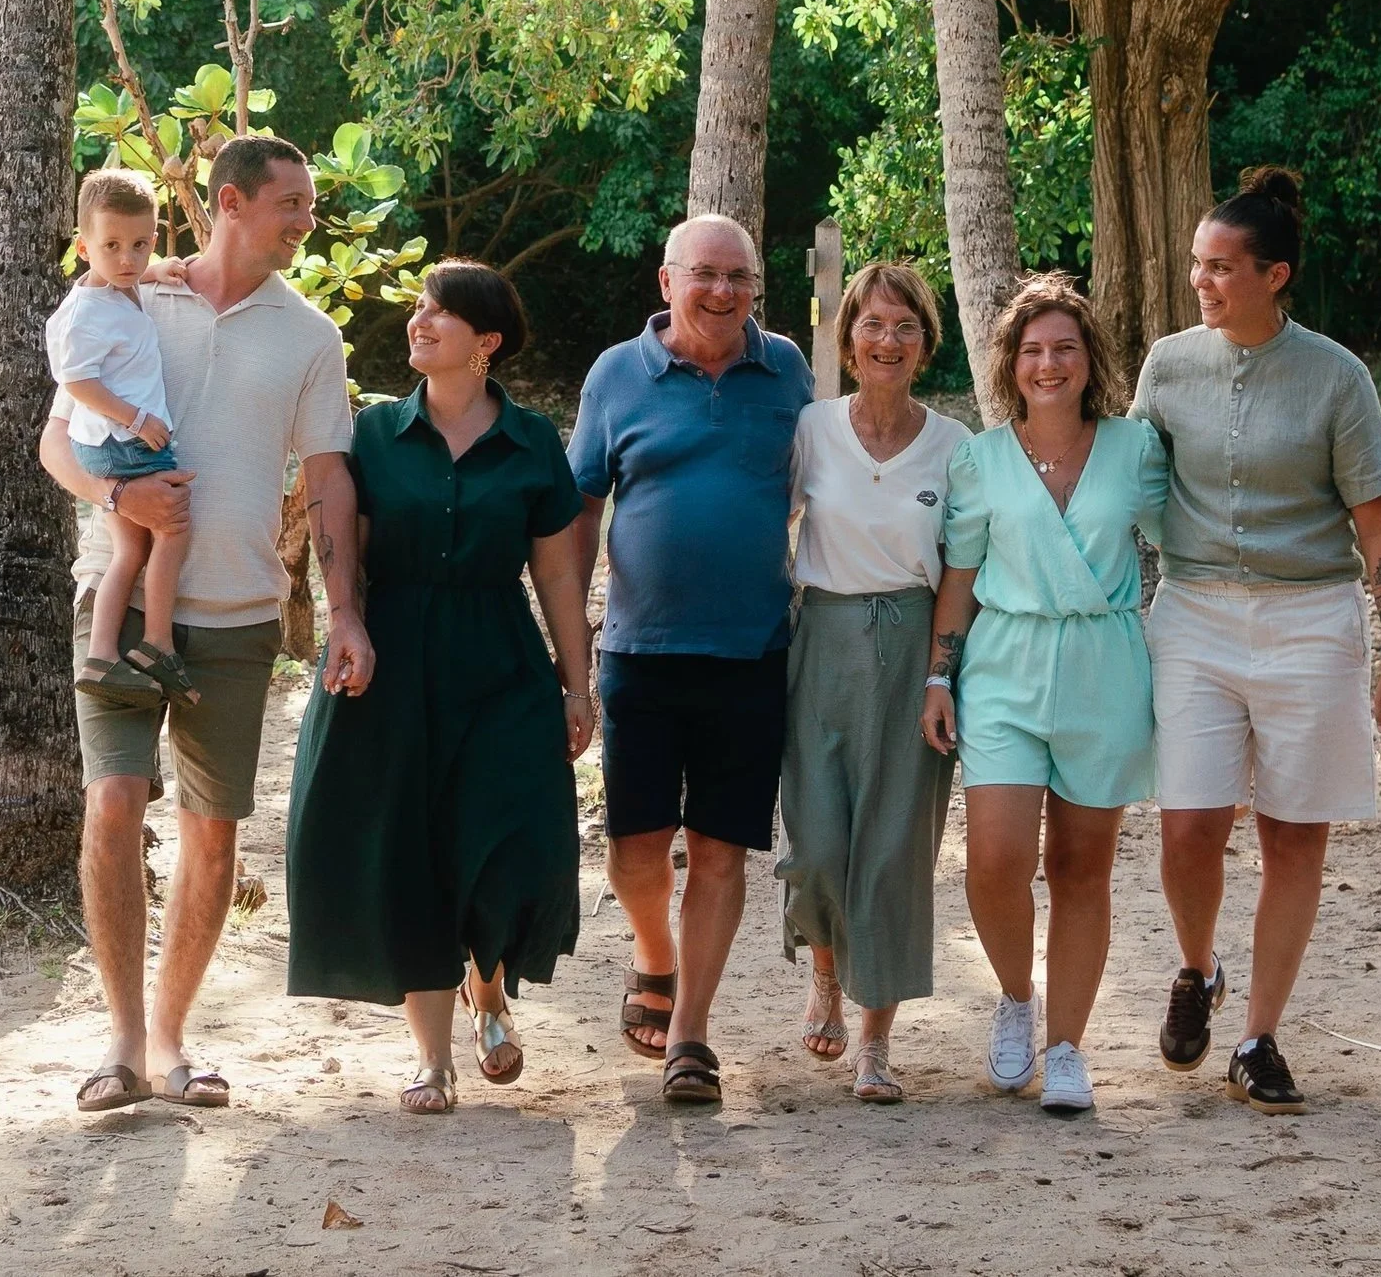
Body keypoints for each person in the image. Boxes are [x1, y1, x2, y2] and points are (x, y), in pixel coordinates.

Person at [38, 133, 357, 1115]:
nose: (307, 220)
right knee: (112, 806)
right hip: (126, 607)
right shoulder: (135, 297)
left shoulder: (310, 336)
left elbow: (331, 478)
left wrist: (344, 609)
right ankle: (123, 1042)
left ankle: (174, 1038)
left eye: (308, 205)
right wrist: (111, 495)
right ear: (230, 201)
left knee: (211, 837)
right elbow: (56, 437)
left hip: (240, 615)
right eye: (291, 203)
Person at [1133, 166, 1381, 1115]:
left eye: (1221, 268)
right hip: (1196, 614)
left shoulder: (1339, 378)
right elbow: (1128, 487)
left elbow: (1378, 525)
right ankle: (1196, 968)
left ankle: (1257, 1037)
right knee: (1189, 824)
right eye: (1196, 267)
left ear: (1275, 275)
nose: (1203, 283)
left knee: (1294, 835)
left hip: (1310, 621)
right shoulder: (1169, 366)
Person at [285, 261, 595, 1114]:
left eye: (439, 314)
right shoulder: (376, 434)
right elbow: (343, 544)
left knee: (504, 838)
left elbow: (558, 576)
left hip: (500, 661)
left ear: (485, 342)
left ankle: (487, 989)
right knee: (414, 853)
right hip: (395, 660)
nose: (418, 323)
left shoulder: (533, 440)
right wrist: (342, 622)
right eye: (419, 309)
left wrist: (578, 685)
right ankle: (435, 1061)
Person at [570, 212, 811, 1108]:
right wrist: (575, 639)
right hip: (640, 650)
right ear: (665, 283)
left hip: (752, 652)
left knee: (719, 851)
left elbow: (810, 485)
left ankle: (690, 1034)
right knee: (635, 850)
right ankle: (652, 955)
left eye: (739, 277)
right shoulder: (615, 375)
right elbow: (580, 508)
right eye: (704, 274)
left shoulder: (785, 368)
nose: (722, 292)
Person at [922, 273, 1166, 1116]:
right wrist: (937, 674)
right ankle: (1016, 1000)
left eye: (1065, 347)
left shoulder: (1135, 449)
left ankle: (1066, 1047)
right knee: (995, 860)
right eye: (1033, 351)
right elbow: (958, 579)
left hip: (1105, 664)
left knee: (1079, 867)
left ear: (1089, 358)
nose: (1049, 364)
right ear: (1010, 365)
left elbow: (1193, 546)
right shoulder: (980, 460)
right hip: (1005, 666)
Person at [776, 261, 971, 1105]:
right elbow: (765, 525)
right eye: (872, 325)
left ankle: (876, 1044)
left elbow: (961, 573)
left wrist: (941, 675)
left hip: (912, 653)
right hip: (820, 642)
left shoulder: (954, 445)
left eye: (905, 327)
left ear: (924, 345)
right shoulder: (812, 428)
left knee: (894, 853)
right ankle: (824, 968)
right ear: (847, 339)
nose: (887, 341)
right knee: (819, 842)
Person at [48, 167, 196, 708]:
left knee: (129, 548)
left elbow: (133, 275)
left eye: (140, 244)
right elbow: (76, 381)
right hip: (121, 441)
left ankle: (102, 656)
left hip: (108, 439)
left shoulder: (117, 286)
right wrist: (136, 420)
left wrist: (161, 270)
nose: (127, 259)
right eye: (111, 246)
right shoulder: (86, 312)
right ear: (84, 247)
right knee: (174, 528)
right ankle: (158, 644)